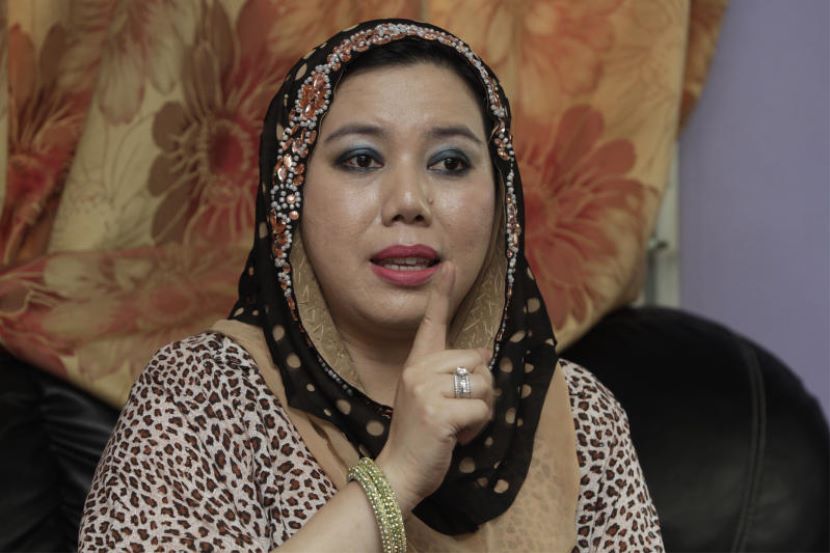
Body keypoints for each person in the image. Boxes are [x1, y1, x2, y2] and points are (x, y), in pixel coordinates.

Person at [79, 19, 663, 552]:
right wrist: (398, 474)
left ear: (501, 200)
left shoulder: (579, 416)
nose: (408, 201)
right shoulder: (201, 396)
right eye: (361, 159)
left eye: (450, 162)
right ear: (291, 196)